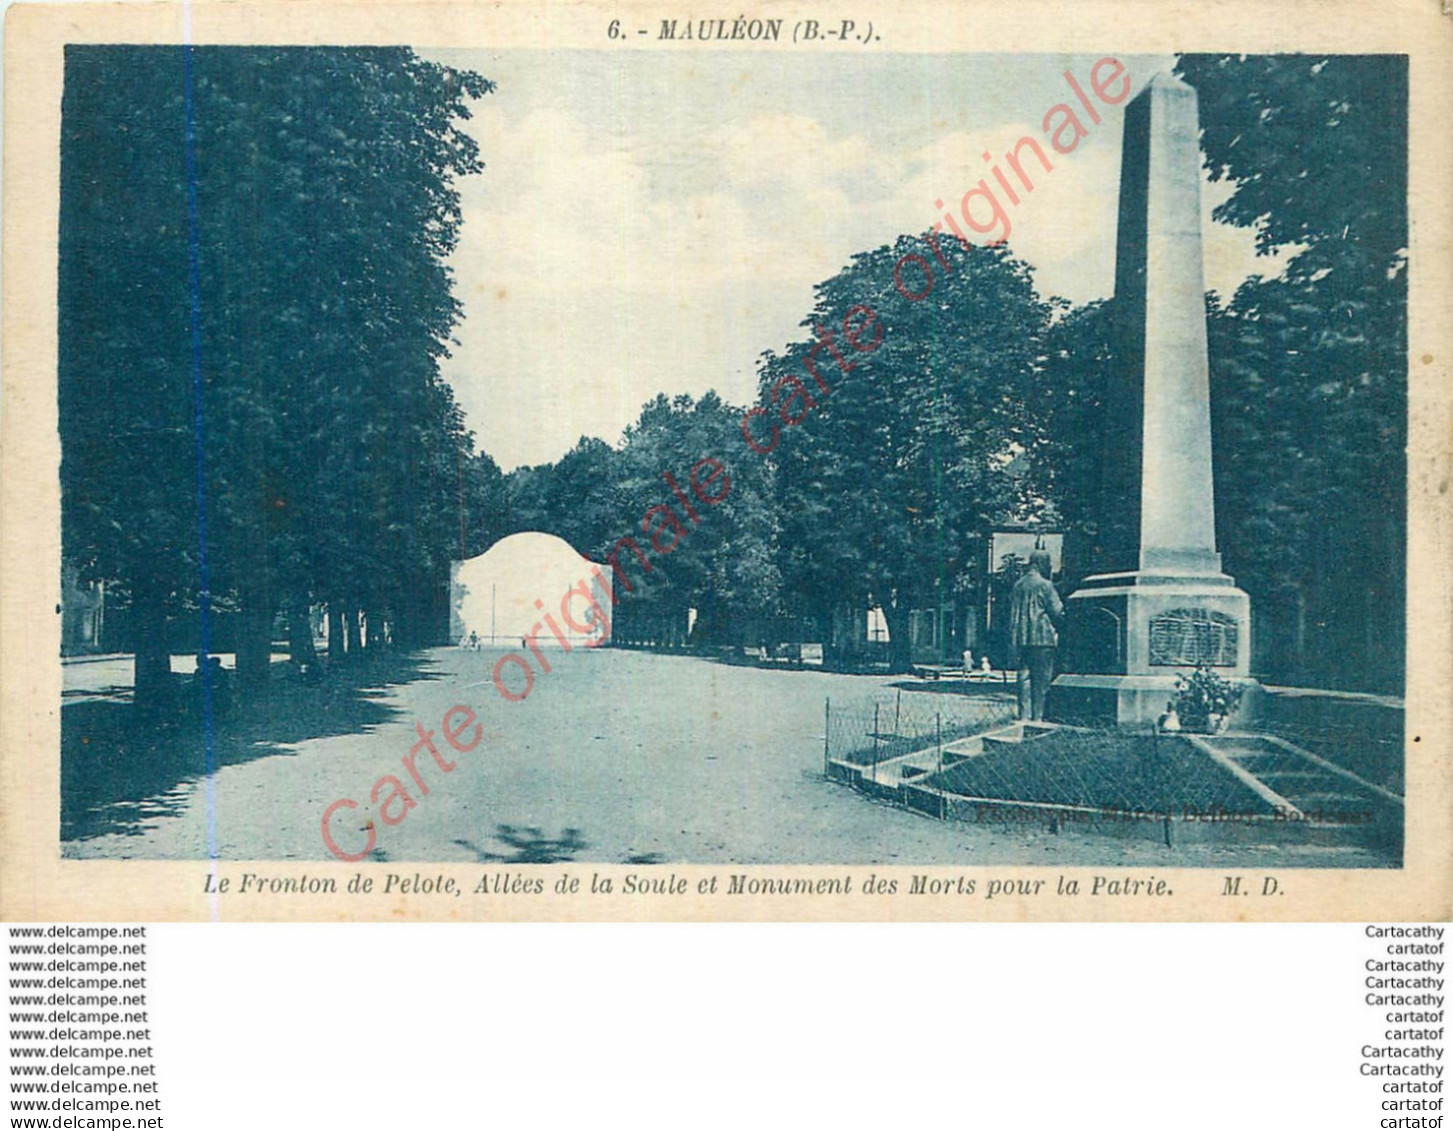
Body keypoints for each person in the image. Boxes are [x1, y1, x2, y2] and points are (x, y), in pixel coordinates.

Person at [1007, 549, 1063, 721]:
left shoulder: (1018, 585)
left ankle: (1023, 716)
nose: (1050, 566)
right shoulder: (1045, 585)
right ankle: (1037, 718)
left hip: (1021, 637)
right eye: (1048, 563)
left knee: (1024, 676)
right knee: (1041, 680)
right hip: (1042, 638)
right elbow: (1057, 610)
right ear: (1041, 564)